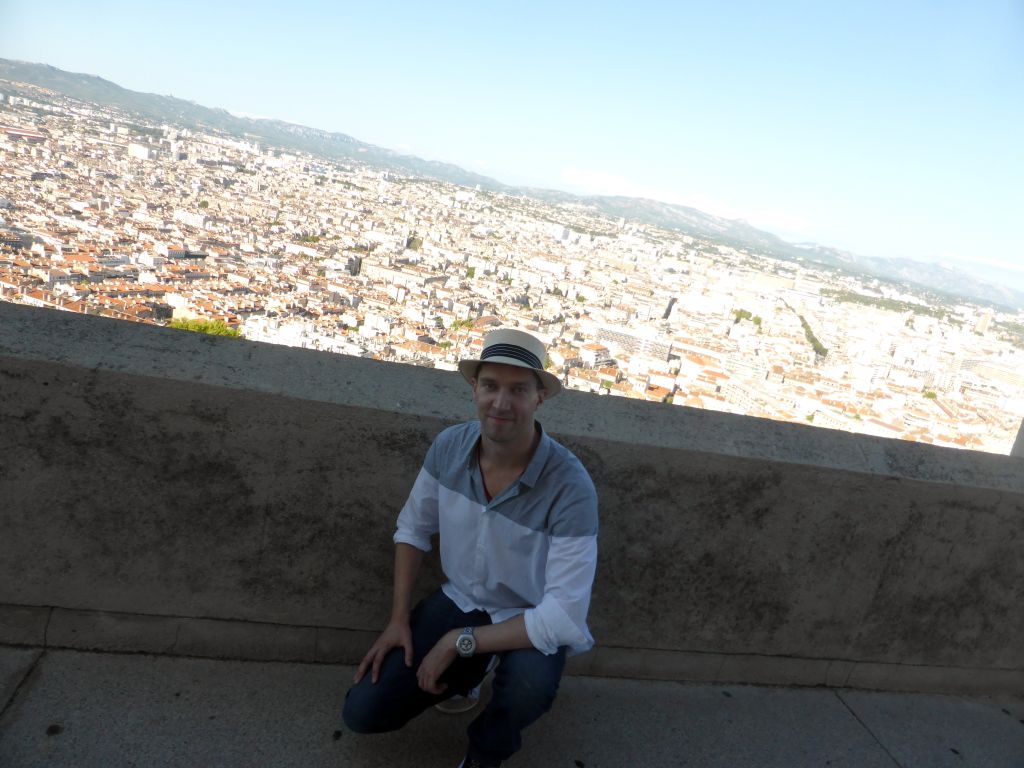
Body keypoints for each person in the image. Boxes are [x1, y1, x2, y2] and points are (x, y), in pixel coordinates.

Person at [343, 328, 599, 768]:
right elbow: (412, 529)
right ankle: (474, 667)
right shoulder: (449, 448)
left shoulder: (570, 488)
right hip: (461, 598)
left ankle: (484, 755)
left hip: (529, 616)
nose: (501, 404)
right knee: (362, 713)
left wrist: (458, 641)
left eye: (518, 390)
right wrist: (398, 620)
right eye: (490, 386)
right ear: (474, 389)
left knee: (528, 689)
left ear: (540, 398)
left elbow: (563, 615)